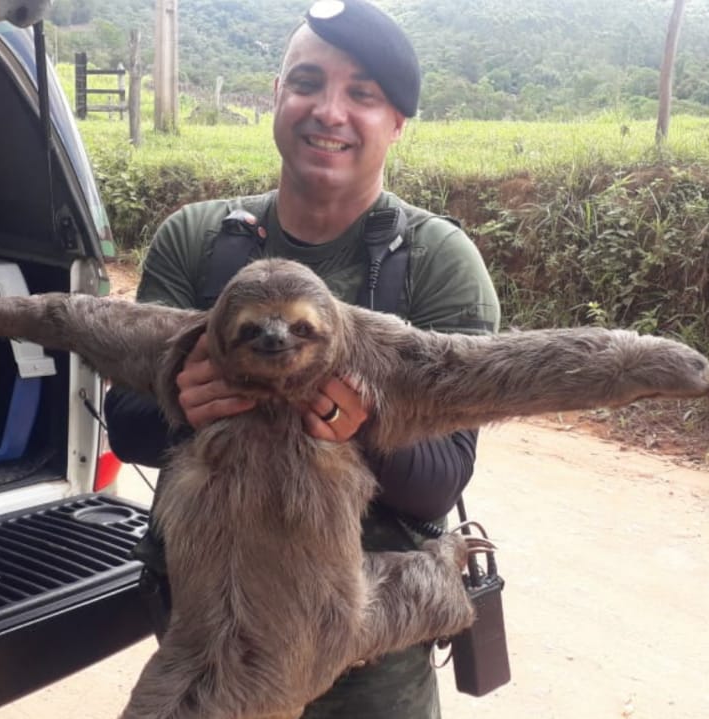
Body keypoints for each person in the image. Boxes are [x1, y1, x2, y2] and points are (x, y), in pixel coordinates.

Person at [104, 1, 501, 716]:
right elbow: (127, 426)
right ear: (278, 96)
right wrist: (179, 397)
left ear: (397, 121)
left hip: (370, 650)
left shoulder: (439, 260)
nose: (329, 110)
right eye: (307, 82)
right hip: (209, 633)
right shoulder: (197, 239)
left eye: (362, 94)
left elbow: (441, 481)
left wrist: (359, 420)